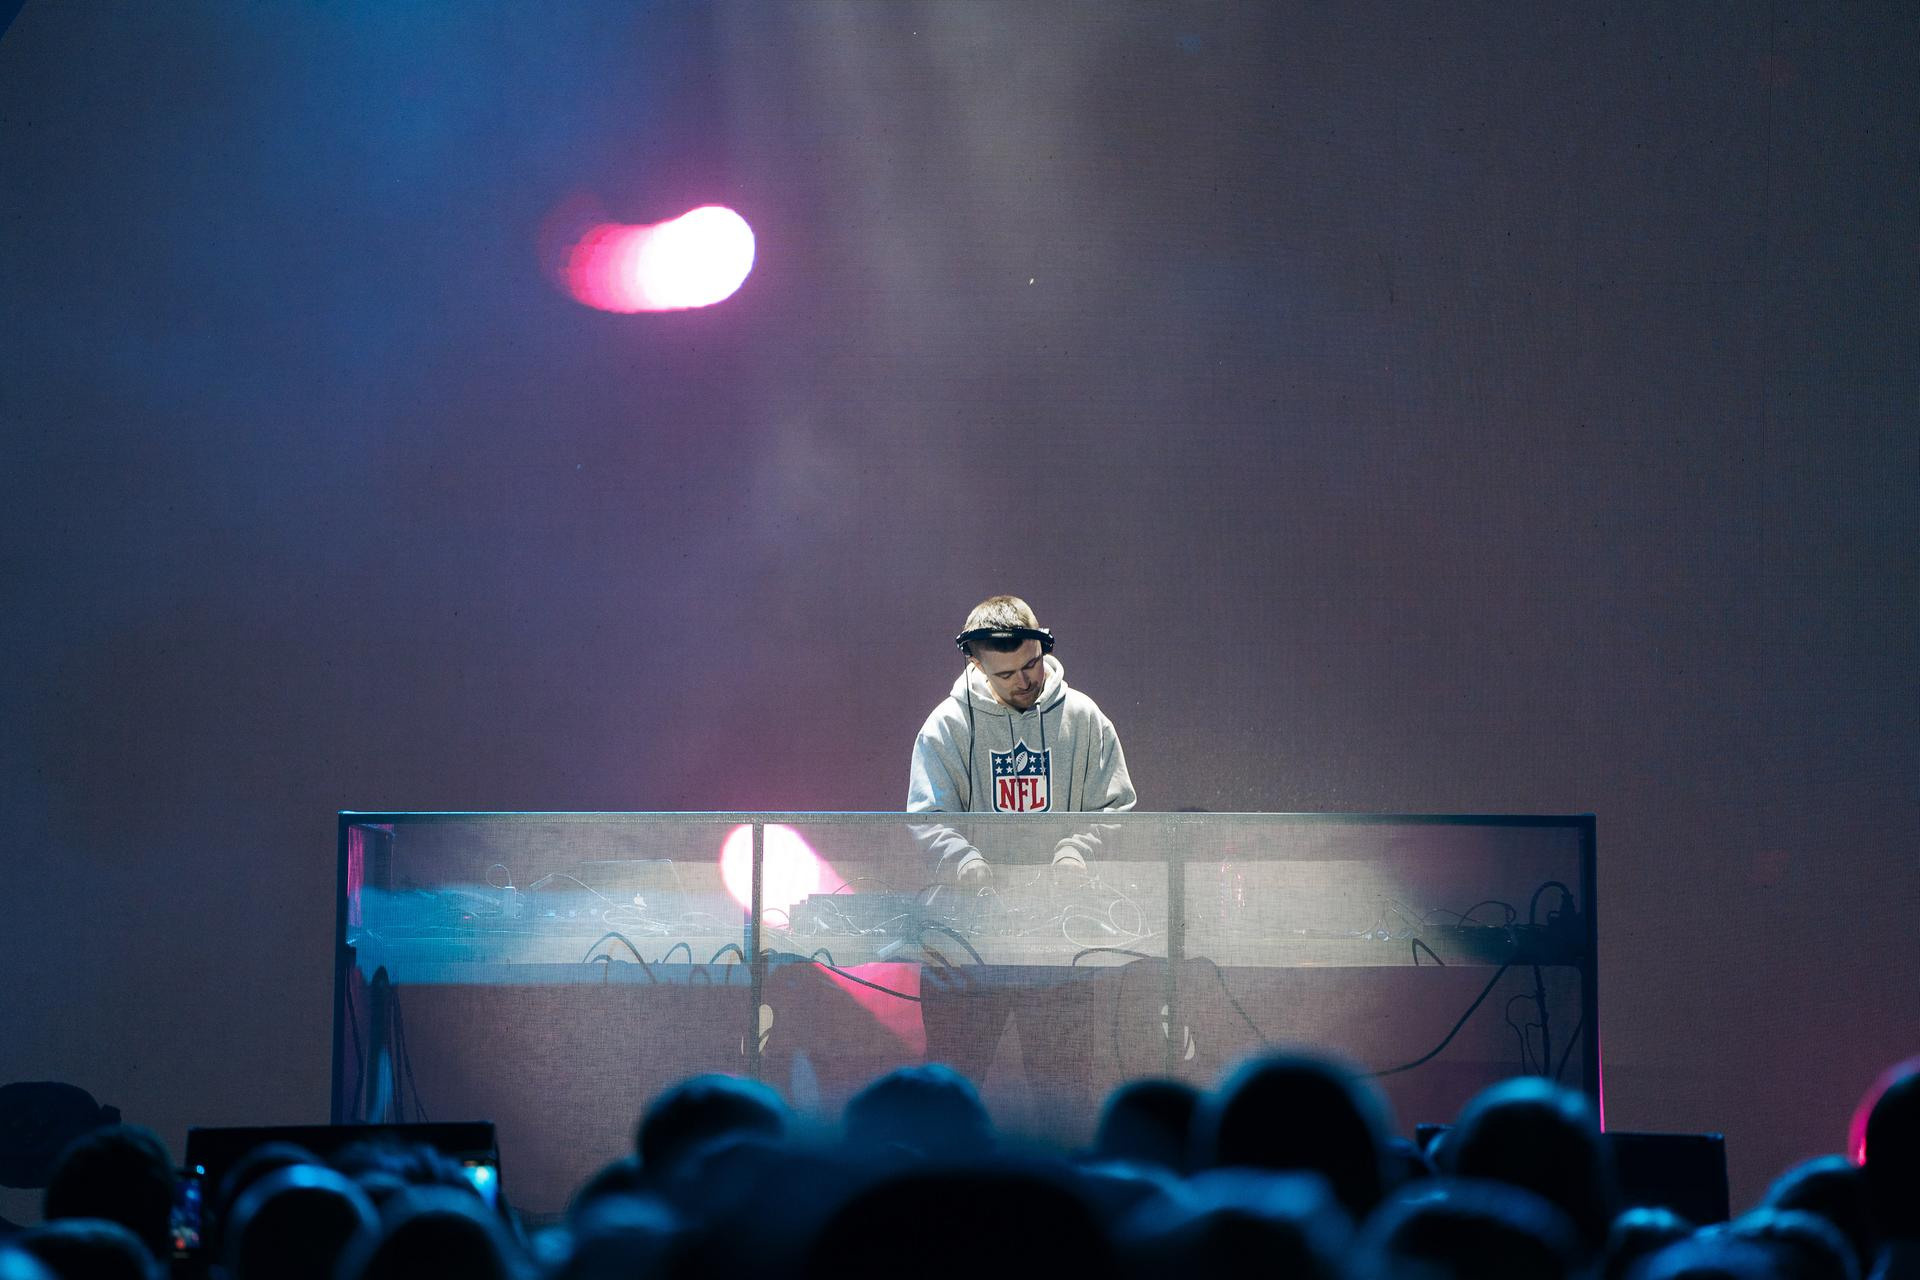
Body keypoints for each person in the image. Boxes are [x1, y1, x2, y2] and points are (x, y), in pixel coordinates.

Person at [907, 596, 1135, 884]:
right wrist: (963, 860)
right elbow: (928, 817)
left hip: (1070, 900)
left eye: (1031, 664)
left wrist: (1078, 852)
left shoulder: (1084, 717)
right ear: (977, 665)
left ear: (1043, 648)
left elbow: (1115, 807)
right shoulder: (946, 727)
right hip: (976, 904)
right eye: (1006, 674)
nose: (1024, 681)